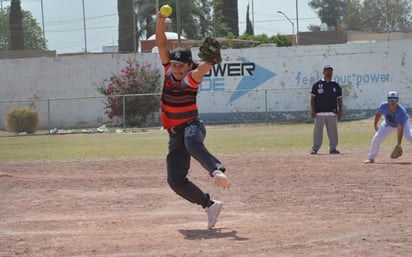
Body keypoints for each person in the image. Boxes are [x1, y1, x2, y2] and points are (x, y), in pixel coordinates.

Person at [155, 11, 230, 230]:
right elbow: (161, 44)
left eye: (182, 65)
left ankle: (216, 170)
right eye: (175, 65)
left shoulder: (191, 77)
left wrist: (210, 61)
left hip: (192, 127)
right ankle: (210, 205)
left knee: (192, 143)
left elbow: (203, 70)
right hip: (175, 134)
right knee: (175, 181)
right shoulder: (168, 69)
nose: (177, 69)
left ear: (189, 66)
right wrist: (160, 21)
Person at [364, 91, 412, 163]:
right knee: (377, 137)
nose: (392, 102)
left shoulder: (401, 111)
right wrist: (375, 125)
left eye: (394, 99)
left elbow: (400, 128)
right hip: (388, 124)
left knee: (410, 137)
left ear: (398, 100)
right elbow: (378, 115)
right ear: (387, 100)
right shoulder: (383, 106)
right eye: (390, 99)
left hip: (403, 124)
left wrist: (399, 144)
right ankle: (371, 158)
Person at [310, 65, 343, 154]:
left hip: (332, 113)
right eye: (327, 71)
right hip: (319, 113)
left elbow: (339, 99)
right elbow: (313, 99)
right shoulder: (317, 85)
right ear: (323, 72)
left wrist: (340, 111)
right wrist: (313, 110)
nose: (329, 73)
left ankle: (333, 148)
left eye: (330, 71)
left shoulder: (336, 85)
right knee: (317, 132)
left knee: (333, 132)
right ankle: (315, 148)